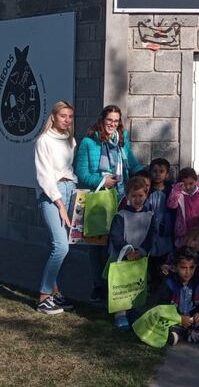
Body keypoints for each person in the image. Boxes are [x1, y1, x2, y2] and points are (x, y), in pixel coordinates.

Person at [74, 105, 141, 302]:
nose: (112, 124)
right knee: (97, 246)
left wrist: (147, 174)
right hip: (101, 199)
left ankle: (114, 284)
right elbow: (82, 173)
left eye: (116, 120)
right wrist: (103, 181)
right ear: (102, 120)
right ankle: (98, 286)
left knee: (116, 243)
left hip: (121, 198)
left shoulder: (122, 139)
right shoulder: (88, 142)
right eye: (109, 120)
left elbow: (133, 163)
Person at [34, 101, 77, 314]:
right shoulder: (44, 140)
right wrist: (59, 203)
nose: (67, 120)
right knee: (61, 246)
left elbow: (69, 169)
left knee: (59, 246)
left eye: (70, 116)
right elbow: (44, 176)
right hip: (52, 194)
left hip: (70, 188)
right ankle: (43, 297)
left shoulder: (70, 140)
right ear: (54, 116)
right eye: (63, 116)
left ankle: (55, 292)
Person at [108, 175, 156, 330]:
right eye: (133, 196)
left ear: (146, 195)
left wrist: (142, 251)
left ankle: (134, 310)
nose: (137, 199)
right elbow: (116, 236)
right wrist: (128, 251)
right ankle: (120, 314)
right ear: (127, 196)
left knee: (136, 285)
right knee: (121, 286)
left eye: (140, 195)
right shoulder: (121, 215)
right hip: (122, 257)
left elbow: (151, 236)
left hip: (139, 258)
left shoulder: (149, 216)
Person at [162, 247, 199, 346]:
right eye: (183, 268)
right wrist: (179, 318)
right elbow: (162, 306)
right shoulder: (169, 283)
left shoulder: (198, 282)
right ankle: (187, 334)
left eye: (191, 267)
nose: (188, 272)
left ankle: (187, 333)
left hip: (192, 316)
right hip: (175, 318)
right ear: (175, 267)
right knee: (163, 322)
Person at [167, 167, 199, 246]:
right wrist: (176, 190)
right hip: (184, 231)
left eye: (191, 184)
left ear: (196, 181)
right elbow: (171, 205)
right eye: (184, 184)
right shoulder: (178, 193)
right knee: (186, 251)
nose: (188, 187)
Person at [147, 158, 175, 288]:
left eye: (161, 171)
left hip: (165, 232)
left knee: (165, 259)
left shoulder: (171, 191)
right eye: (155, 171)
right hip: (150, 231)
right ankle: (152, 284)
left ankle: (165, 286)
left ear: (167, 174)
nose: (158, 174)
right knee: (151, 259)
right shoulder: (147, 190)